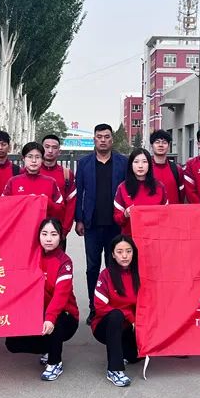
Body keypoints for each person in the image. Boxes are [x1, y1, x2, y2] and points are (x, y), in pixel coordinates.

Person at [5, 218, 79, 381]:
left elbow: (60, 296)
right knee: (12, 343)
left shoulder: (65, 262)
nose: (48, 239)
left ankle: (55, 362)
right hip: (37, 313)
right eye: (44, 234)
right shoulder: (31, 258)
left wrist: (50, 318)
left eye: (53, 234)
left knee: (56, 321)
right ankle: (49, 347)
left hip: (64, 316)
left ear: (60, 237)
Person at [74, 124, 128, 324]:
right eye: (99, 137)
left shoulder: (123, 162)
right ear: (94, 140)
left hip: (116, 224)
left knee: (115, 266)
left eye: (106, 136)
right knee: (92, 268)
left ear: (112, 139)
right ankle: (94, 307)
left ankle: (114, 306)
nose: (103, 140)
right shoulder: (84, 164)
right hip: (92, 225)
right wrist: (79, 219)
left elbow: (127, 191)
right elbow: (79, 192)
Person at [91, 235, 141, 387]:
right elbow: (100, 306)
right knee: (116, 315)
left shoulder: (139, 274)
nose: (124, 256)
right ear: (113, 254)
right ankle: (114, 369)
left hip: (130, 328)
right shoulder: (105, 275)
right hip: (106, 326)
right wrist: (129, 316)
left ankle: (125, 352)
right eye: (119, 252)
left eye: (128, 251)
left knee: (134, 357)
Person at [2, 142, 64, 220]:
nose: (34, 161)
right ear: (23, 159)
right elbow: (3, 207)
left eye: (37, 157)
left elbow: (61, 210)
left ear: (42, 159)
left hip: (42, 226)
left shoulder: (51, 182)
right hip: (19, 225)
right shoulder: (13, 181)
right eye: (30, 157)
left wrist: (46, 202)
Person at [113, 148, 167, 235]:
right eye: (136, 162)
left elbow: (166, 215)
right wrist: (125, 215)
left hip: (154, 237)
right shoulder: (122, 187)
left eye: (144, 162)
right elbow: (117, 217)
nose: (140, 166)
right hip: (130, 238)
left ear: (149, 165)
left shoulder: (159, 187)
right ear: (131, 165)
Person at [40, 134, 77, 236]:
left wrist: (65, 229)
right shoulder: (30, 172)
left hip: (57, 230)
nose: (50, 151)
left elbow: (71, 203)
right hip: (34, 227)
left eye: (54, 147)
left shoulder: (66, 174)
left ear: (59, 151)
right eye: (47, 147)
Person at [149, 130, 184, 204]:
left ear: (169, 146)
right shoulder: (146, 169)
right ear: (151, 145)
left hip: (173, 210)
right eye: (157, 142)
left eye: (164, 142)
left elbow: (182, 194)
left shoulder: (177, 169)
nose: (161, 145)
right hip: (152, 210)